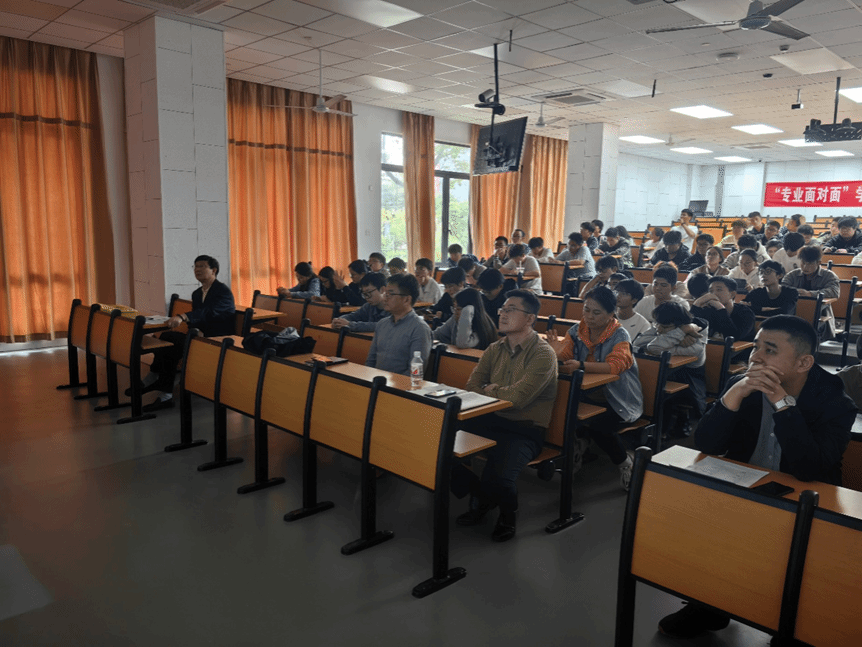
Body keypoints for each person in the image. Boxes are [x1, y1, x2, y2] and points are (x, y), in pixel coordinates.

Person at [658, 315, 856, 640]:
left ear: (803, 362)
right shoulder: (743, 384)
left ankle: (795, 626)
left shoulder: (835, 403)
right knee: (696, 519)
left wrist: (781, 402)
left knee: (803, 561)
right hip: (748, 488)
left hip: (808, 501)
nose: (756, 357)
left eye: (770, 350)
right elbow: (707, 444)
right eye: (756, 346)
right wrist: (734, 395)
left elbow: (809, 469)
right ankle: (709, 607)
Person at [453, 290, 558, 542]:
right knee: (438, 445)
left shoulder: (543, 354)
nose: (502, 314)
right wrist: (498, 391)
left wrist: (491, 390)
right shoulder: (494, 349)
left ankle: (507, 514)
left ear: (530, 318)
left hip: (524, 430)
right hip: (490, 419)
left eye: (511, 310)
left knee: (500, 478)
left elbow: (518, 399)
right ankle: (482, 495)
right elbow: (472, 387)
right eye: (502, 309)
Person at [546, 286, 643, 490]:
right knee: (561, 413)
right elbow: (566, 356)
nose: (589, 316)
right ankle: (578, 449)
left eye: (596, 312)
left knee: (600, 427)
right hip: (587, 394)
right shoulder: (576, 331)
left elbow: (615, 366)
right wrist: (555, 353)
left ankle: (625, 463)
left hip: (618, 399)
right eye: (586, 310)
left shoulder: (620, 335)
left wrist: (580, 365)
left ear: (611, 314)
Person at [143, 255, 236, 412]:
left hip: (218, 340)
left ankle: (160, 384)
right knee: (167, 338)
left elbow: (208, 312)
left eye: (202, 266)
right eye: (195, 266)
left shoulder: (223, 292)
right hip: (200, 337)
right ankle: (161, 385)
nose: (197, 270)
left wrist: (182, 317)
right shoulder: (197, 293)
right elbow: (198, 318)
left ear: (213, 270)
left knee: (172, 344)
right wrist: (196, 329)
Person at [635, 301, 708, 434]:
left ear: (680, 325)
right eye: (656, 324)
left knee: (659, 392)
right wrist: (675, 337)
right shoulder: (662, 326)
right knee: (645, 383)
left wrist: (681, 332)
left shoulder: (695, 345)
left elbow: (654, 347)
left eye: (664, 326)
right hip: (664, 375)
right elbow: (638, 343)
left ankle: (659, 434)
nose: (659, 329)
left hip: (688, 384)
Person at [365, 273, 431, 376]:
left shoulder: (420, 329)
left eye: (390, 295)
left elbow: (415, 372)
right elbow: (371, 361)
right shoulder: (382, 324)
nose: (385, 298)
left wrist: (392, 384)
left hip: (399, 385)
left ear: (406, 299)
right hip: (376, 381)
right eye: (385, 294)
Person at [782, 245, 840, 337]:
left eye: (810, 264)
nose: (805, 267)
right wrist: (795, 292)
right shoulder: (792, 275)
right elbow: (782, 288)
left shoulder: (829, 275)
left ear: (819, 263)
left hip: (820, 314)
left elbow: (834, 292)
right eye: (803, 263)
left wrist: (810, 294)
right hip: (794, 313)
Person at [690, 276, 755, 342]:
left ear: (732, 294)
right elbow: (691, 329)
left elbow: (732, 337)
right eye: (711, 291)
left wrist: (720, 308)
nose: (714, 294)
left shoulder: (746, 313)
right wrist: (697, 303)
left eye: (719, 290)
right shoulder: (709, 310)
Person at [431, 288, 497, 350]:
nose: (455, 313)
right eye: (454, 308)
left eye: (458, 309)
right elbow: (437, 334)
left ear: (472, 310)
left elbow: (462, 343)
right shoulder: (454, 319)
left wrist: (466, 312)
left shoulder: (482, 328)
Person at [614, 279, 652, 344]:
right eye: (617, 292)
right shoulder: (608, 317)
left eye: (624, 294)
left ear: (634, 300)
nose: (618, 296)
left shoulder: (643, 325)